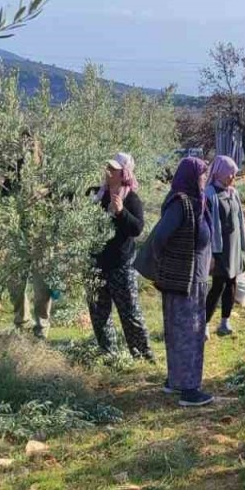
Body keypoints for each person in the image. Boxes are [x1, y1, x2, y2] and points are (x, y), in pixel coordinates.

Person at [148, 156, 215, 406]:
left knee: (180, 331)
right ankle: (189, 390)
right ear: (190, 177)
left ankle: (175, 381)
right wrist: (173, 261)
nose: (204, 180)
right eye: (201, 176)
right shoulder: (181, 203)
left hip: (192, 278)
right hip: (185, 280)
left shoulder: (196, 201)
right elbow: (159, 238)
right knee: (189, 332)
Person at [86, 152, 154, 361]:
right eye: (108, 167)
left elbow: (137, 229)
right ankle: (109, 354)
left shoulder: (131, 199)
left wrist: (121, 212)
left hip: (120, 265)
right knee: (99, 313)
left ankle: (142, 354)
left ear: (124, 172)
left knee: (130, 313)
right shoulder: (95, 194)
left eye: (113, 169)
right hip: (95, 264)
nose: (108, 172)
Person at [4, 132, 55, 338]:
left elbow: (64, 192)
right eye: (23, 144)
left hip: (43, 233)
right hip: (19, 232)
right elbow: (3, 197)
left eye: (30, 144)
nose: (26, 148)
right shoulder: (14, 168)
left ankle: (42, 328)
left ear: (37, 145)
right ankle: (21, 323)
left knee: (43, 286)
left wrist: (44, 191)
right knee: (15, 282)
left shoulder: (48, 167)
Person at [205, 155, 245, 337]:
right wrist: (211, 254)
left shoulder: (233, 193)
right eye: (229, 173)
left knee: (232, 282)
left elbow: (240, 220)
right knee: (218, 285)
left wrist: (243, 247)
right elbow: (207, 225)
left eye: (234, 174)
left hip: (234, 246)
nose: (232, 177)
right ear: (219, 173)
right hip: (219, 248)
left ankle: (225, 322)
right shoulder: (208, 195)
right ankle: (204, 324)